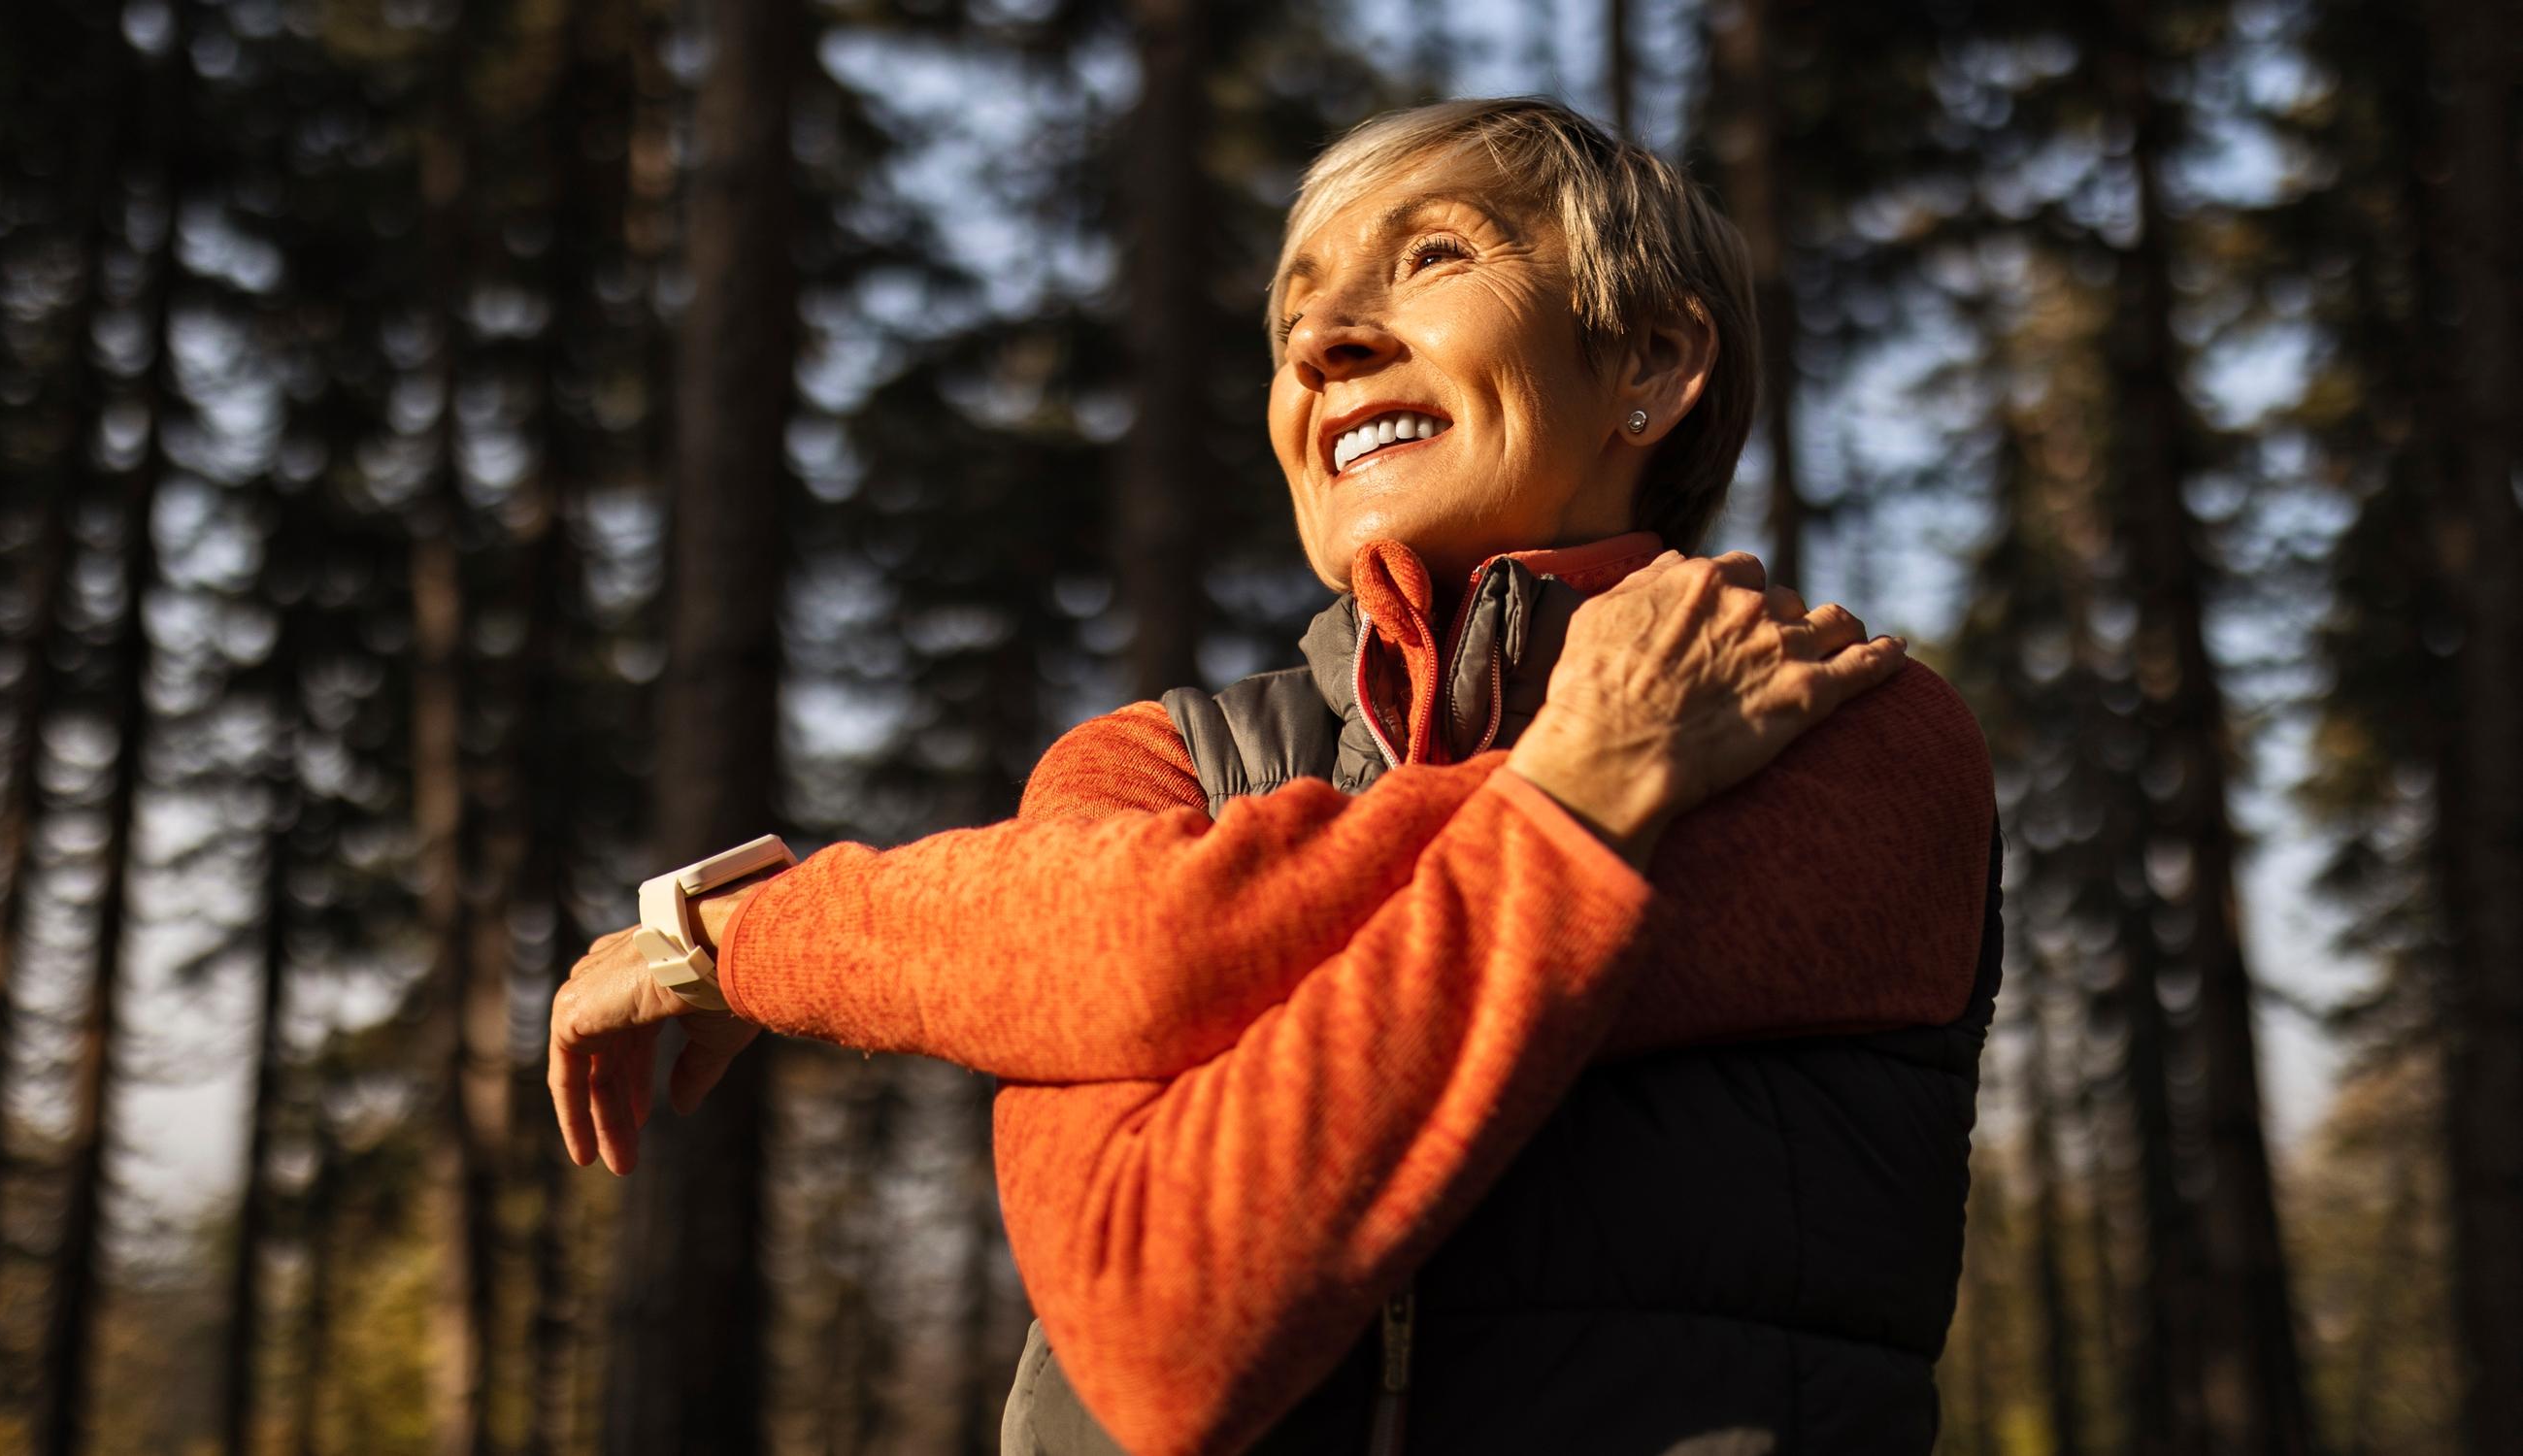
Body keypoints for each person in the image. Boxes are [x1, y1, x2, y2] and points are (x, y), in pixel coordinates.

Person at [549, 97, 1999, 1455]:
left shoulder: (1847, 735)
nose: (1323, 338)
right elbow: (1154, 1283)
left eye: (1433, 256)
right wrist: (1577, 792)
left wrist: (787, 939)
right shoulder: (1153, 760)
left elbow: (1171, 1095)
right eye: (1297, 305)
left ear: (1651, 365)